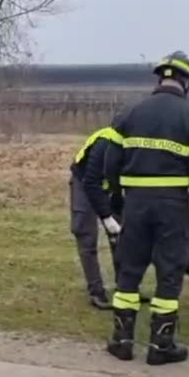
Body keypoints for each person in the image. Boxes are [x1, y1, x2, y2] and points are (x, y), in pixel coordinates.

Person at [101, 51, 189, 365]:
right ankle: (161, 345)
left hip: (135, 204)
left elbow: (110, 162)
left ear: (161, 77)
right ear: (187, 81)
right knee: (169, 273)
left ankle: (122, 341)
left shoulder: (129, 112)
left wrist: (116, 198)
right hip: (172, 207)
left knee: (129, 270)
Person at [71, 126, 124, 309]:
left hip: (113, 185)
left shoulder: (140, 144)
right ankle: (96, 291)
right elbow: (91, 183)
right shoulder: (105, 144)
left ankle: (125, 288)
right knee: (86, 233)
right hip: (84, 182)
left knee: (121, 235)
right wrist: (107, 217)